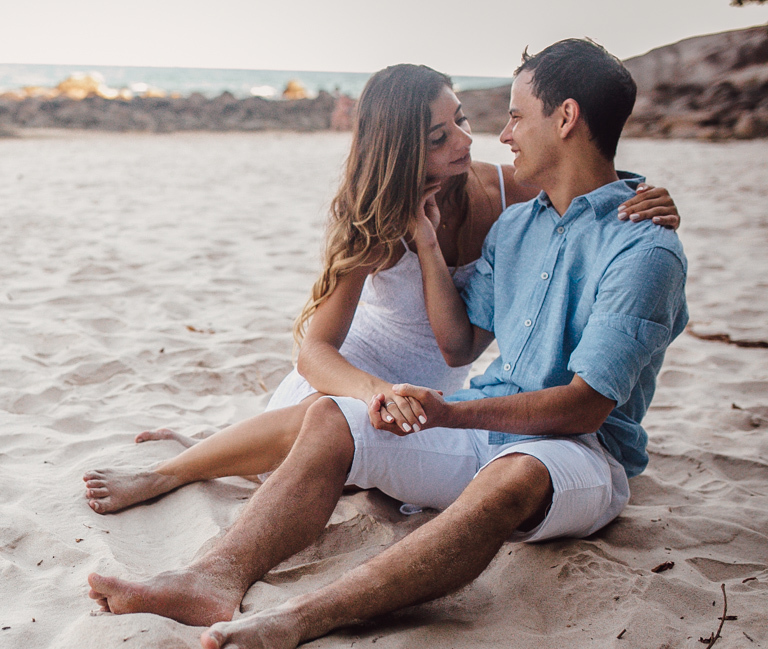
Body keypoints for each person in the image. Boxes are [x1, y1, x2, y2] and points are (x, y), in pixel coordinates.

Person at [87, 39, 689, 649]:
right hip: (475, 420)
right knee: (326, 418)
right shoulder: (521, 228)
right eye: (462, 124)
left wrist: (450, 412)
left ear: (565, 119)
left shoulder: (641, 249)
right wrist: (427, 244)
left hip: (581, 452)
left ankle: (295, 619)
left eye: (515, 115)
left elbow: (584, 406)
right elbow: (459, 347)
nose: (498, 133)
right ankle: (208, 579)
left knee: (513, 475)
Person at [82, 64, 678, 516]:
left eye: (463, 120)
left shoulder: (506, 190)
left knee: (345, 466)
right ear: (402, 148)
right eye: (441, 136)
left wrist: (646, 198)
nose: (468, 142)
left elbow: (582, 201)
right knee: (319, 434)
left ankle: (222, 448)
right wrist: (373, 391)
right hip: (353, 373)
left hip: (433, 384)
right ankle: (173, 470)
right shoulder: (370, 216)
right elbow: (315, 351)